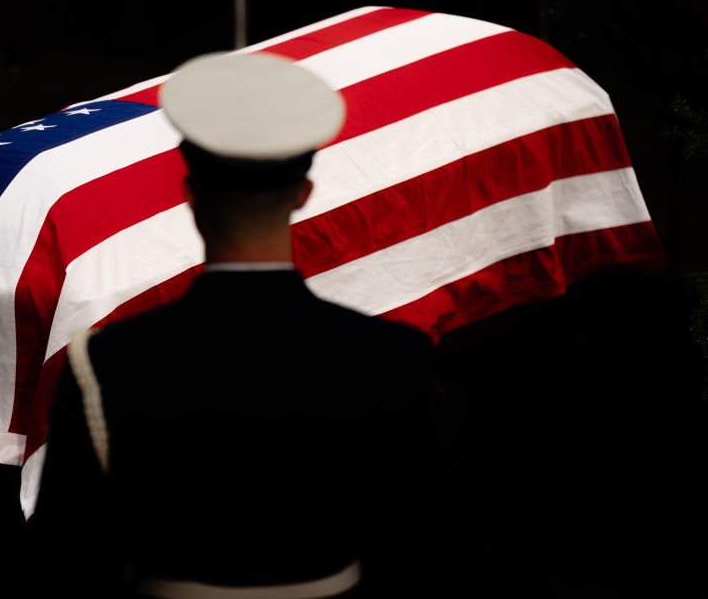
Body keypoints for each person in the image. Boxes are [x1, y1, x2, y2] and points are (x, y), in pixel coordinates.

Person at [26, 51, 458, 598]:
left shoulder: (105, 364)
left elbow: (70, 563)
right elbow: (422, 557)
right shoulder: (392, 356)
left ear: (191, 194)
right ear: (303, 194)